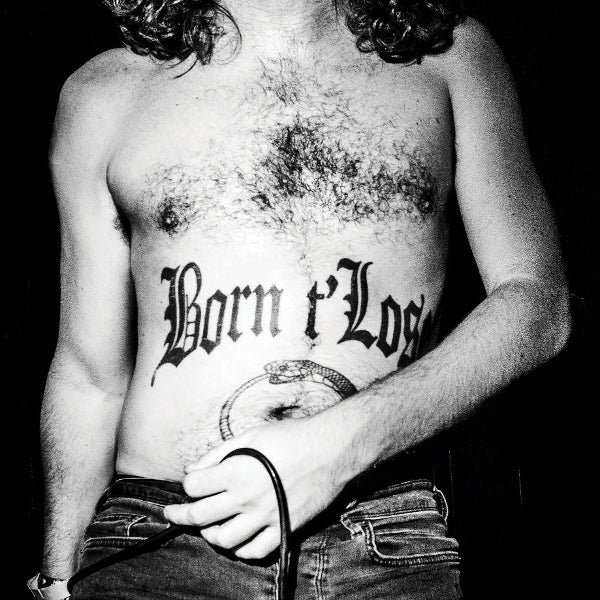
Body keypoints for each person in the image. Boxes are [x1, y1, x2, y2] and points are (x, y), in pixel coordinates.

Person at [29, 0, 570, 598]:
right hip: (160, 536)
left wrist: (337, 448)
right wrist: (58, 578)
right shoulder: (102, 92)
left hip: (383, 532)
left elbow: (537, 304)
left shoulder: (450, 55)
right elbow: (89, 376)